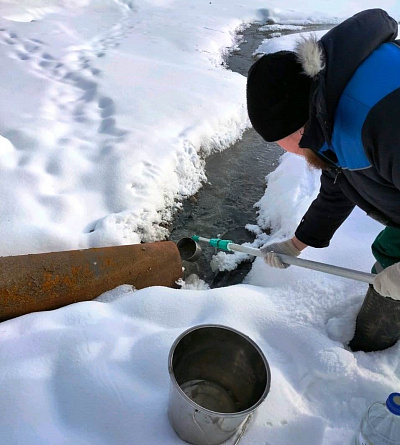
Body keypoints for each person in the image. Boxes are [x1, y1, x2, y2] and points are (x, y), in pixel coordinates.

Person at [246, 8, 400, 352]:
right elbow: (340, 182)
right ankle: (375, 330)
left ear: (297, 125)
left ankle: (376, 347)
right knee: (390, 253)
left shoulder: (383, 120)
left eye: (281, 142)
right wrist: (296, 244)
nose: (287, 151)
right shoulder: (328, 100)